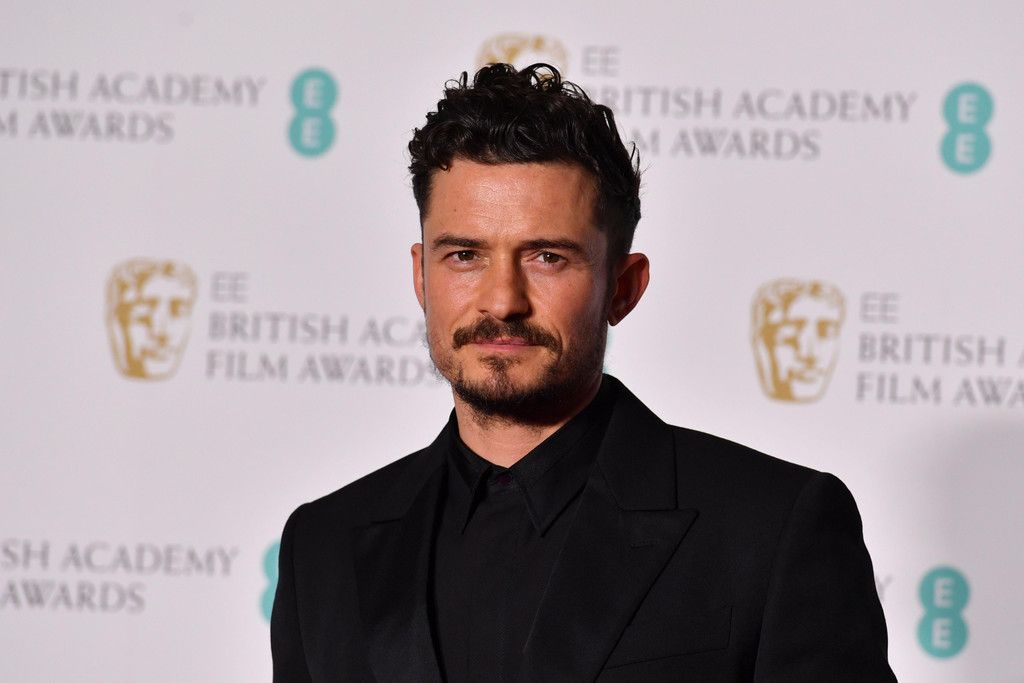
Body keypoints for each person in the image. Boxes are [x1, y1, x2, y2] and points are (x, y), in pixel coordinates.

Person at [271, 63, 895, 681]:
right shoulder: (323, 546)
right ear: (420, 276)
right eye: (464, 255)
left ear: (623, 287)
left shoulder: (771, 528)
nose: (501, 301)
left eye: (547, 257)